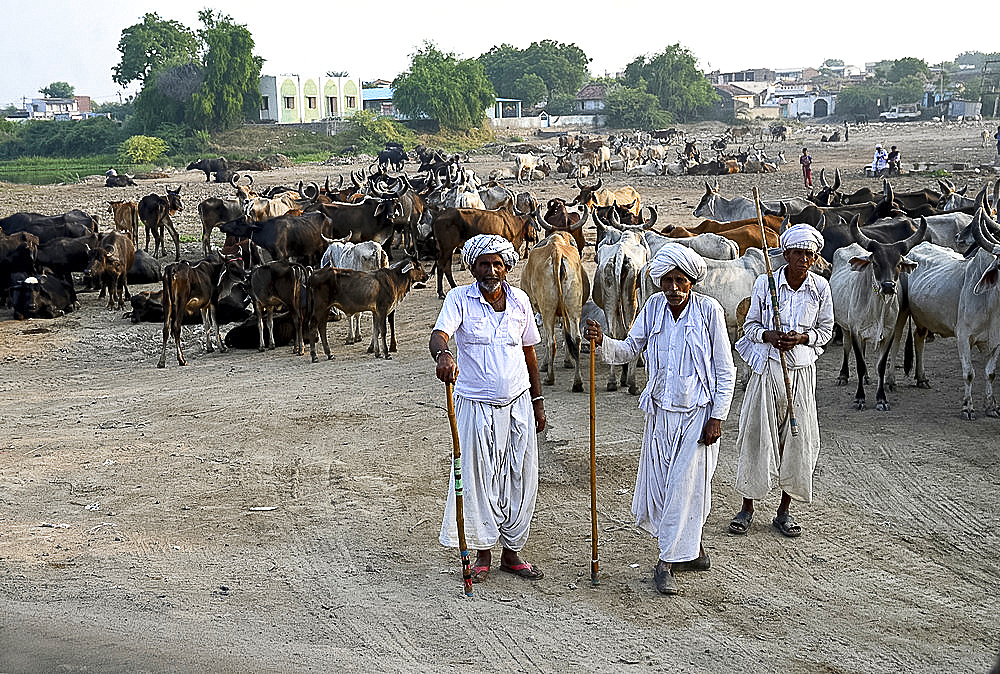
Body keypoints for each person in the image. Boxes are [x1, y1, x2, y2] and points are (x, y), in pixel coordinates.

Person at [583, 244, 736, 596]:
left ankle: (666, 562)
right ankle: (693, 550)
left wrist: (718, 417)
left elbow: (726, 371)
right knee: (665, 487)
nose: (673, 288)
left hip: (697, 414)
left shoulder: (709, 312)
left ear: (691, 281)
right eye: (666, 281)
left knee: (685, 488)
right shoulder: (652, 308)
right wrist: (602, 341)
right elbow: (628, 350)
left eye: (679, 280)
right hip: (660, 412)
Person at [430, 234, 546, 584]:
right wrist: (443, 355)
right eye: (484, 264)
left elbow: (529, 354)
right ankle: (483, 554)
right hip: (475, 404)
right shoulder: (458, 299)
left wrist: (538, 402)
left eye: (498, 264)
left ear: (507, 267)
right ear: (472, 267)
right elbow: (439, 335)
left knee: (520, 476)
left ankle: (512, 554)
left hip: (518, 402)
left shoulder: (521, 301)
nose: (491, 270)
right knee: (478, 478)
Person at [728, 224, 834, 539]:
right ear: (785, 254)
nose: (803, 259)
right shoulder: (766, 283)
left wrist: (803, 337)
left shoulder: (820, 288)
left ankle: (784, 511)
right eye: (798, 253)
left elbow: (826, 331)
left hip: (801, 370)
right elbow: (749, 325)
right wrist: (768, 335)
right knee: (757, 434)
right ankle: (747, 507)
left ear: (815, 258)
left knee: (798, 439)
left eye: (809, 254)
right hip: (769, 367)